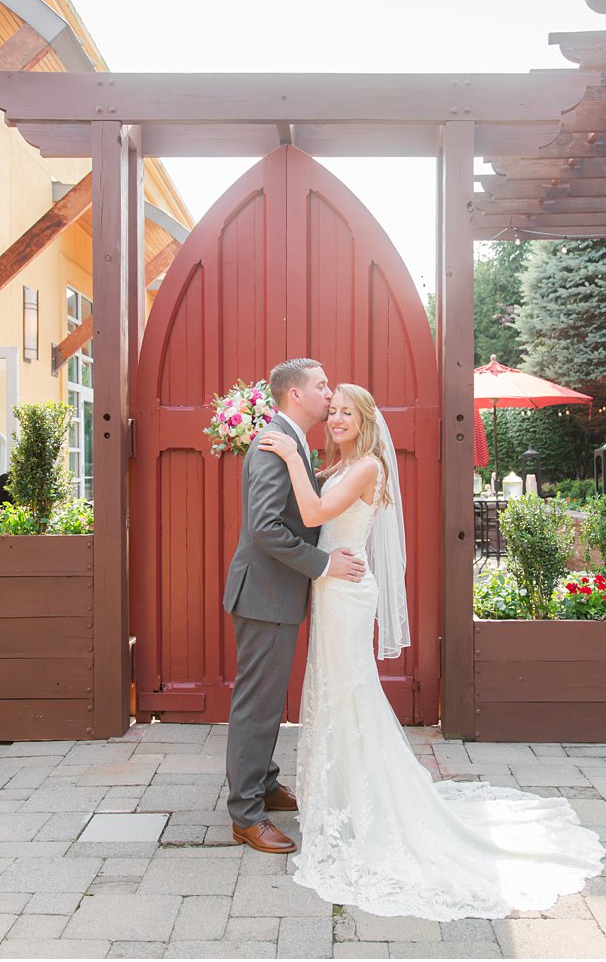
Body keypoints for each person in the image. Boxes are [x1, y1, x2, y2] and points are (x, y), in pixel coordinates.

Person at [255, 382, 606, 921]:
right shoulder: (339, 465)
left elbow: (314, 509)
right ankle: (344, 794)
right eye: (334, 412)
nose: (338, 419)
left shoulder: (369, 466)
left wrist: (288, 454)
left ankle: (367, 800)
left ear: (368, 419)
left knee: (349, 690)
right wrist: (301, 459)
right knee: (333, 690)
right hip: (332, 588)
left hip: (347, 593)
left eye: (349, 412)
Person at [222, 358, 367, 855]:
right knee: (257, 706)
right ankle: (246, 814)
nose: (329, 394)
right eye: (322, 386)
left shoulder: (294, 442)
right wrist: (324, 564)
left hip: (274, 593)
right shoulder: (272, 446)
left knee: (267, 700)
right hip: (264, 594)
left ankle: (263, 783)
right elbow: (265, 528)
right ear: (295, 396)